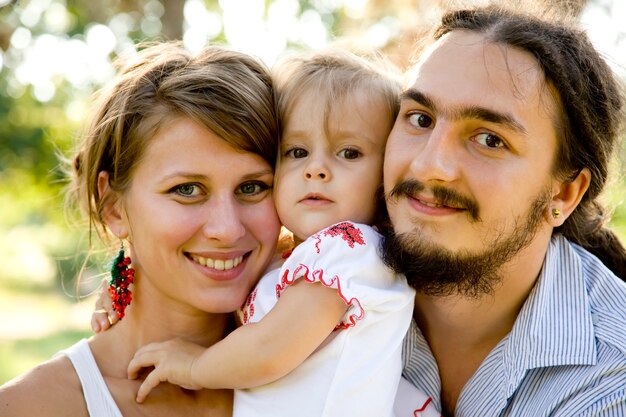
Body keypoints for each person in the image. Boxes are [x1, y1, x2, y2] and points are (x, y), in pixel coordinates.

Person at [124, 49, 440, 417]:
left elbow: (269, 350)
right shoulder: (300, 255)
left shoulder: (351, 251)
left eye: (349, 153)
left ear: (387, 170)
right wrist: (127, 286)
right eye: (297, 151)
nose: (316, 169)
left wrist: (195, 368)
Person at [0, 42, 283, 416]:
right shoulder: (31, 406)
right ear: (114, 207)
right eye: (186, 190)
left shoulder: (323, 366)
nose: (227, 230)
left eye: (252, 187)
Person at [381, 5, 626, 417]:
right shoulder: (316, 282)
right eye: (420, 119)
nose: (428, 165)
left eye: (490, 139)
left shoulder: (612, 380)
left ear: (565, 193)